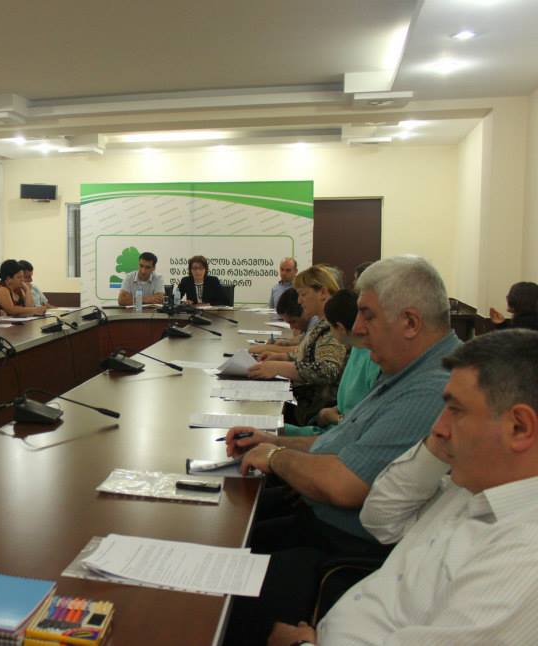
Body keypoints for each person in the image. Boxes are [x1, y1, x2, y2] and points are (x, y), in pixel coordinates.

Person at [221, 255, 462, 646]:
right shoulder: (404, 370)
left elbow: (345, 485)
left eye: (368, 315)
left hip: (338, 548)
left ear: (410, 323)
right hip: (318, 523)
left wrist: (277, 458)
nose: (358, 328)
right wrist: (274, 441)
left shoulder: (432, 388)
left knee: (221, 601)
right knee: (219, 531)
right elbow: (340, 443)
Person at [270, 329, 538, 646]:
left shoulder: (523, 561)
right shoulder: (471, 484)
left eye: (456, 410)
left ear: (519, 428)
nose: (437, 428)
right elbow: (380, 518)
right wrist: (437, 447)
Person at [248, 265, 347, 425]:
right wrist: (282, 357)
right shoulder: (323, 322)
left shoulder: (332, 327)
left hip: (316, 410)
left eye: (303, 294)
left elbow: (327, 370)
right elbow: (310, 354)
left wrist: (279, 368)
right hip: (308, 403)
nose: (299, 300)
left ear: (322, 292)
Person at [283, 289, 380, 436]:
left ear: (339, 328)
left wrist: (332, 417)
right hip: (333, 429)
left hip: (340, 435)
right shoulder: (356, 349)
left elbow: (363, 424)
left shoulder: (373, 359)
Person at [250, 287, 309, 355]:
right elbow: (304, 338)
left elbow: (304, 350)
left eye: (293, 321)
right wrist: (287, 342)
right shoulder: (309, 323)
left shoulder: (315, 322)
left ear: (305, 310)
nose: (291, 327)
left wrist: (268, 348)